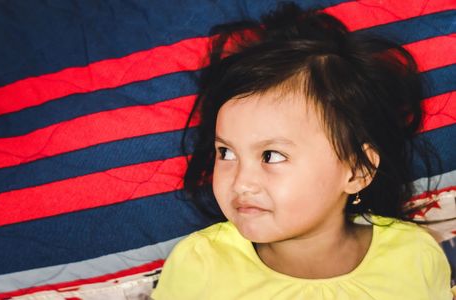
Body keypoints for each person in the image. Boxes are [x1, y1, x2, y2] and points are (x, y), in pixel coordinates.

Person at [151, 3, 453, 299]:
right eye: (226, 153)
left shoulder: (414, 257)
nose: (241, 182)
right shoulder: (201, 266)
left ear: (358, 170)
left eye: (271, 155)